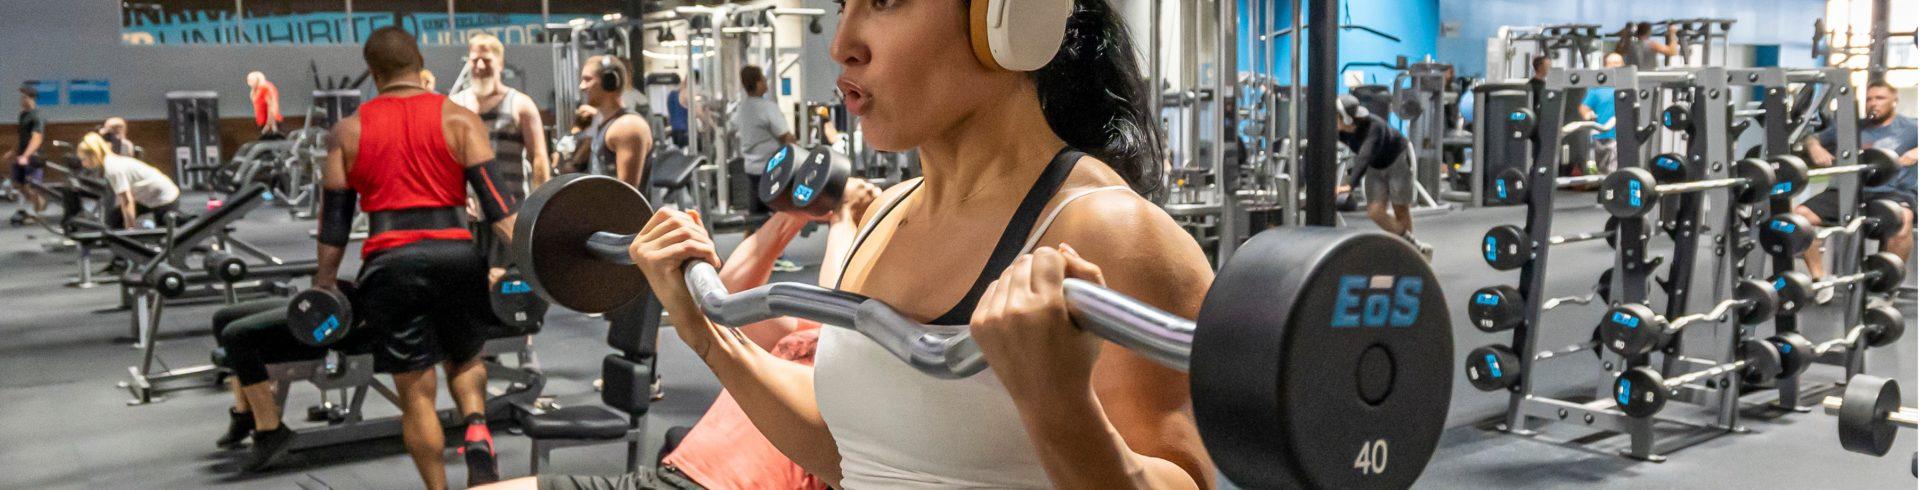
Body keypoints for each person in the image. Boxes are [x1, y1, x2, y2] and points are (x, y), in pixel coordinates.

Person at [620, 1, 1216, 488]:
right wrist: (705, 332)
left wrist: (1059, 407)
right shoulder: (884, 215)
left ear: (1005, 17)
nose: (842, 44)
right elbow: (853, 456)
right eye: (843, 5)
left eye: (884, 2)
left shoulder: (1111, 233)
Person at [486, 179, 883, 490]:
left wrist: (844, 218)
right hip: (670, 476)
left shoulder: (874, 359)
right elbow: (732, 295)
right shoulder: (803, 336)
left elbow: (841, 323)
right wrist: (799, 211)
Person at [306, 26, 513, 489]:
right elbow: (500, 207)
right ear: (419, 64)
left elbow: (334, 223)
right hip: (457, 255)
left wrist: (325, 284)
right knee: (466, 357)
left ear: (373, 73)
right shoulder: (460, 118)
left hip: (391, 262)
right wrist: (531, 264)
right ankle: (477, 427)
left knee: (416, 393)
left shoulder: (348, 131)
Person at [1793, 80, 1917, 301]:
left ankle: (1887, 285)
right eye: (1869, 99)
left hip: (1892, 192)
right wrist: (1815, 147)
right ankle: (1821, 280)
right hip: (1849, 190)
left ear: (1894, 100)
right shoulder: (1851, 127)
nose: (1873, 103)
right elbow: (1811, 137)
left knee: (1903, 220)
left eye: (1880, 98)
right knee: (1799, 218)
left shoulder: (1910, 127)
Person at [454, 33, 554, 272]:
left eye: (486, 60)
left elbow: (538, 158)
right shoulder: (456, 105)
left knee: (510, 281)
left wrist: (542, 209)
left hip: (510, 213)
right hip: (469, 218)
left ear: (500, 63)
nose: (480, 66)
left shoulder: (520, 104)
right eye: (475, 60)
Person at [730, 65, 802, 271]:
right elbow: (786, 137)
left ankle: (743, 257)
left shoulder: (742, 108)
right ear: (757, 82)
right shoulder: (767, 107)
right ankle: (777, 256)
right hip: (771, 169)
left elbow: (734, 126)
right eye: (763, 79)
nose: (766, 83)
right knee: (779, 214)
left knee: (755, 214)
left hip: (751, 168)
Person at [1336, 94, 1426, 255]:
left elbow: (1365, 155)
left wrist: (1349, 184)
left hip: (1398, 159)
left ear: (1347, 119)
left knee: (1400, 209)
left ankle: (1408, 253)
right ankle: (1413, 246)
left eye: (1336, 115)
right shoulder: (1342, 130)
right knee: (1375, 212)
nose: (1333, 119)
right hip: (1376, 166)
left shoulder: (1374, 127)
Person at [76, 133, 179, 230]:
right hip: (150, 195)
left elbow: (127, 201)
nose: (83, 164)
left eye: (84, 159)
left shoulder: (112, 168)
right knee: (115, 219)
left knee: (168, 236)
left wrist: (130, 230)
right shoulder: (110, 160)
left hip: (165, 197)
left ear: (94, 155)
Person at [580, 55, 653, 190]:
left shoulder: (627, 127)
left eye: (588, 79)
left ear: (609, 82)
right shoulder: (606, 123)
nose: (582, 86)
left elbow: (625, 194)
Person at [1578, 53, 1628, 176]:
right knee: (1607, 173)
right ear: (1605, 67)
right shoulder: (1597, 88)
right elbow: (1584, 108)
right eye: (1612, 63)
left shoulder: (1628, 85)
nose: (1615, 66)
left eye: (1618, 63)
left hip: (1626, 135)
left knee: (1623, 171)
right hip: (1605, 136)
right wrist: (1588, 115)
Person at [6, 85, 46, 223]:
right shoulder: (23, 115)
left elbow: (37, 138)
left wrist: (26, 156)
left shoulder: (37, 116)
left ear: (31, 98)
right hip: (21, 155)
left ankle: (38, 213)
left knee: (32, 187)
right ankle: (28, 209)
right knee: (19, 184)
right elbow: (21, 136)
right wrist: (13, 151)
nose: (21, 100)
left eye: (23, 97)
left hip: (33, 157)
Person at [246, 71, 283, 137]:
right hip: (262, 121)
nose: (248, 82)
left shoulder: (265, 89)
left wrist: (269, 124)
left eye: (250, 80)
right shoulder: (256, 89)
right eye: (248, 79)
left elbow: (271, 107)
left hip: (269, 123)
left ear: (257, 80)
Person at [666, 71, 696, 147]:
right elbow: (697, 112)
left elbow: (670, 114)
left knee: (677, 150)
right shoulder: (686, 95)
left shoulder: (671, 94)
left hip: (674, 130)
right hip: (684, 130)